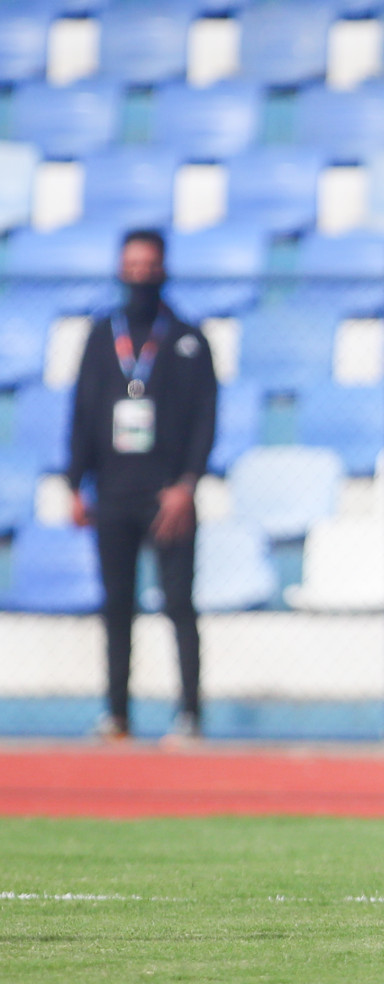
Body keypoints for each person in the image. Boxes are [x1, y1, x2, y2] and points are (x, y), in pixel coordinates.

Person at [66, 228, 219, 742]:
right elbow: (83, 410)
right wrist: (74, 482)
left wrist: (187, 484)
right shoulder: (101, 336)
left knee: (178, 603)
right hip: (112, 492)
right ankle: (117, 714)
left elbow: (205, 418)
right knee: (116, 607)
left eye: (148, 265)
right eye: (131, 265)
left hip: (167, 496)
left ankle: (190, 714)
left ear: (163, 268)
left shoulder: (186, 339)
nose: (139, 275)